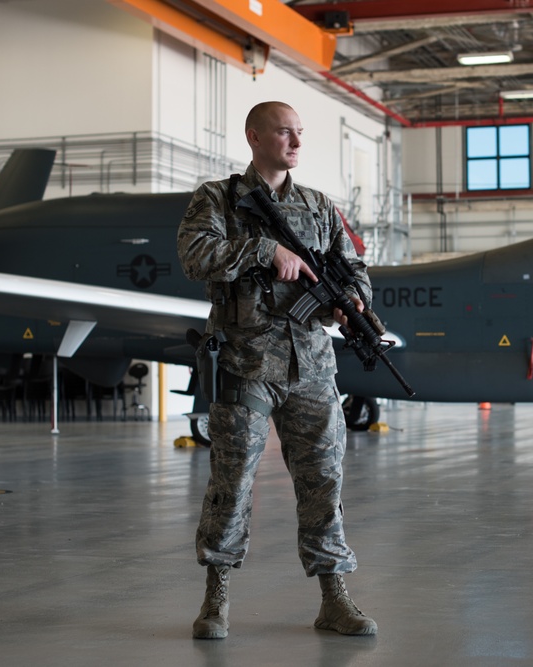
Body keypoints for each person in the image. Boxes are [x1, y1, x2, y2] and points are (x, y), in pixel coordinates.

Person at [177, 101, 376, 639]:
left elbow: (354, 264)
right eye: (285, 132)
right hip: (245, 363)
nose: (295, 142)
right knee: (233, 480)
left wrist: (351, 300)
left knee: (323, 481)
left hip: (310, 366)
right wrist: (263, 249)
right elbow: (195, 255)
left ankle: (335, 599)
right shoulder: (218, 198)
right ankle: (215, 599)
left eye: (300, 133)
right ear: (254, 136)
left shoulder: (318, 205)